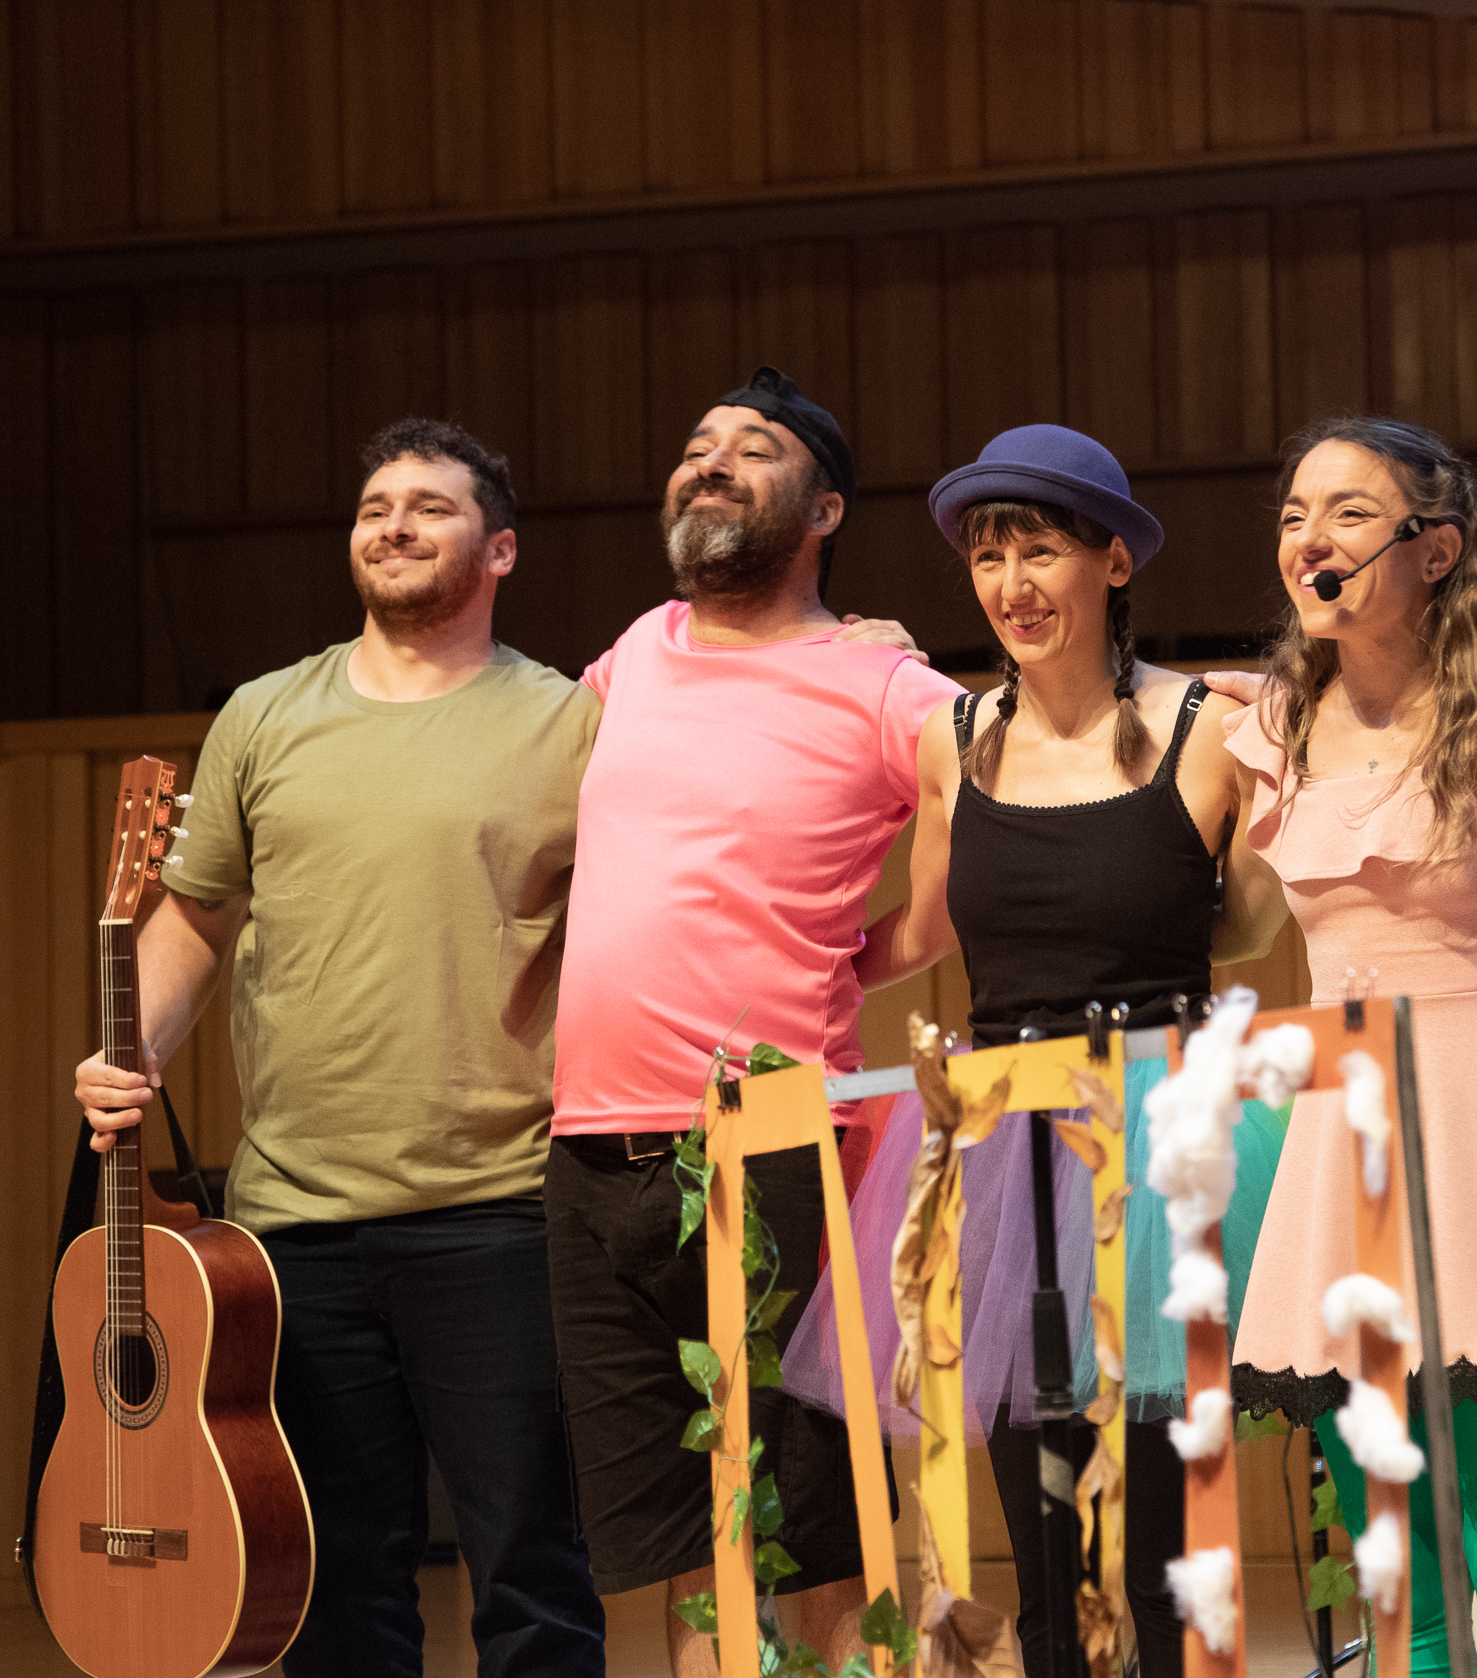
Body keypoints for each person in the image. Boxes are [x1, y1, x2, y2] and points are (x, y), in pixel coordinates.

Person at [74, 419, 607, 1677]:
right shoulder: (265, 714)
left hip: (503, 1211)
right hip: (292, 1233)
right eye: (376, 505)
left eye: (431, 505)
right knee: (329, 1591)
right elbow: (195, 922)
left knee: (532, 1577)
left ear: (502, 549)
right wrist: (124, 1048)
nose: (395, 524)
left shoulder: (571, 724)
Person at [784, 423, 1279, 1678]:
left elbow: (1260, 925)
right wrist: (768, 971)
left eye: (1041, 549)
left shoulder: (1210, 729)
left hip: (1156, 1154)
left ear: (1114, 561)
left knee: (1156, 1559)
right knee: (1045, 1562)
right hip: (1005, 1164)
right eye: (988, 554)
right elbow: (918, 921)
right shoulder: (953, 738)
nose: (1010, 582)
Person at [544, 368, 965, 1678]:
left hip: (766, 1149)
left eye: (753, 447)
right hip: (590, 1153)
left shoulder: (885, 681)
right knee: (688, 1545)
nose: (709, 462)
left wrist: (861, 960)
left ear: (825, 506)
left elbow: (965, 855)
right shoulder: (631, 653)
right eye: (696, 447)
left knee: (814, 1537)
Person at [1222, 416, 1477, 1678]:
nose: (1310, 539)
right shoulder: (1271, 734)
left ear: (1436, 547)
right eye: (1294, 514)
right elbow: (1215, 927)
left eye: (1347, 511)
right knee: (1402, 1602)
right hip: (1342, 1146)